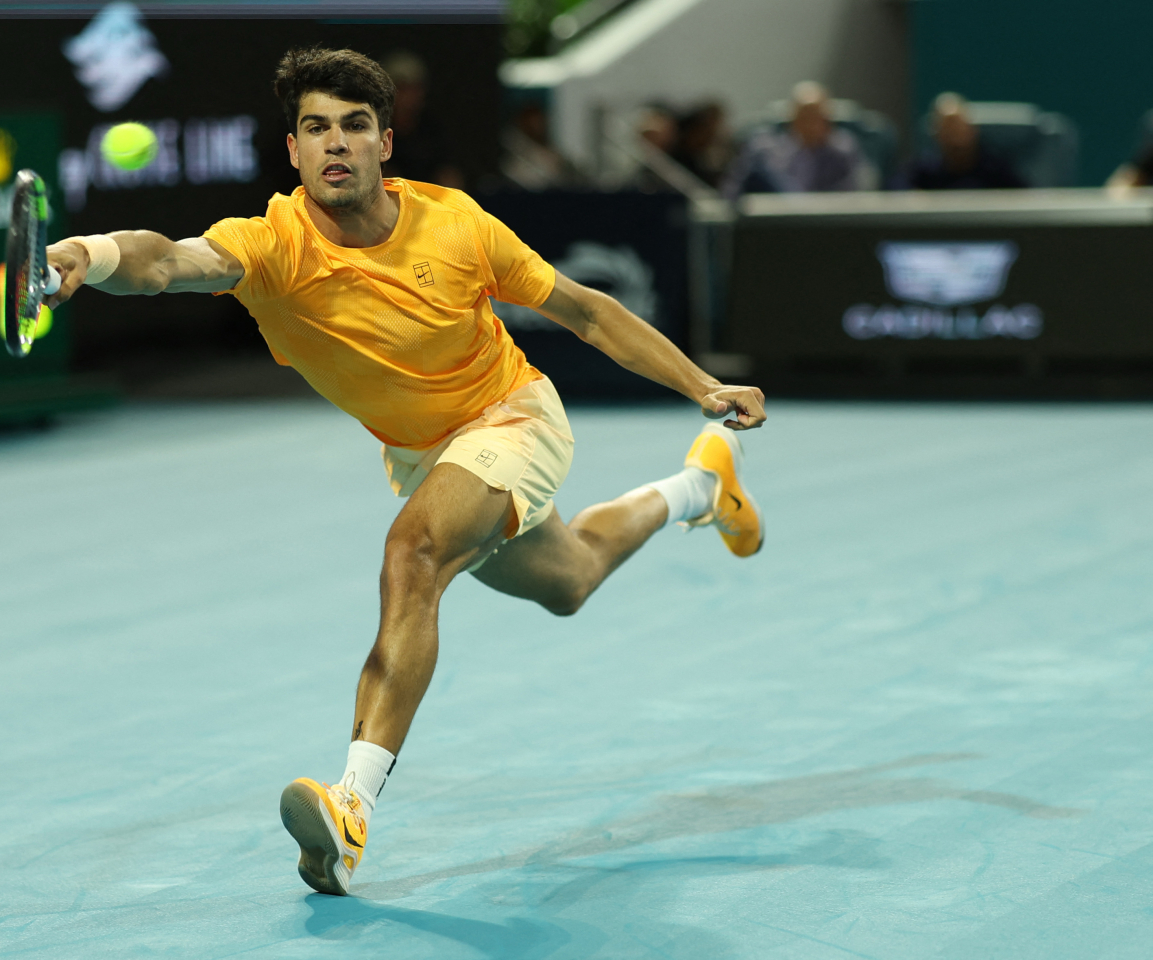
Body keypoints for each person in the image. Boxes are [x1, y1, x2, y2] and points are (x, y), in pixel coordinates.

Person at [42, 46, 766, 897]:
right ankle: (702, 486)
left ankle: (351, 807)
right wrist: (87, 252)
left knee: (412, 553)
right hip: (427, 454)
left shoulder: (455, 224)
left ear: (385, 143)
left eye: (354, 126)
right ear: (294, 151)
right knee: (569, 580)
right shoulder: (270, 245)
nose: (335, 143)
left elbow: (587, 312)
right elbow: (165, 260)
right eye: (316, 128)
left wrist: (702, 385)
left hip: (513, 417)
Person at [722, 81, 876, 198]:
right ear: (792, 119)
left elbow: (861, 189)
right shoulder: (763, 151)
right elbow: (732, 192)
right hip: (775, 224)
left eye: (818, 117)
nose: (812, 125)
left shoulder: (844, 149)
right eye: (805, 117)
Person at [899, 92, 1025, 190]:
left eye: (958, 127)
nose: (954, 136)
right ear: (936, 134)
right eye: (947, 129)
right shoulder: (924, 169)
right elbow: (897, 191)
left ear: (972, 129)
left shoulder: (994, 168)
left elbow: (1023, 195)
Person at [378, 49, 464, 189]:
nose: (409, 96)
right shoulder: (375, 129)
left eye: (415, 88)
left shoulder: (432, 128)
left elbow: (448, 174)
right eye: (402, 88)